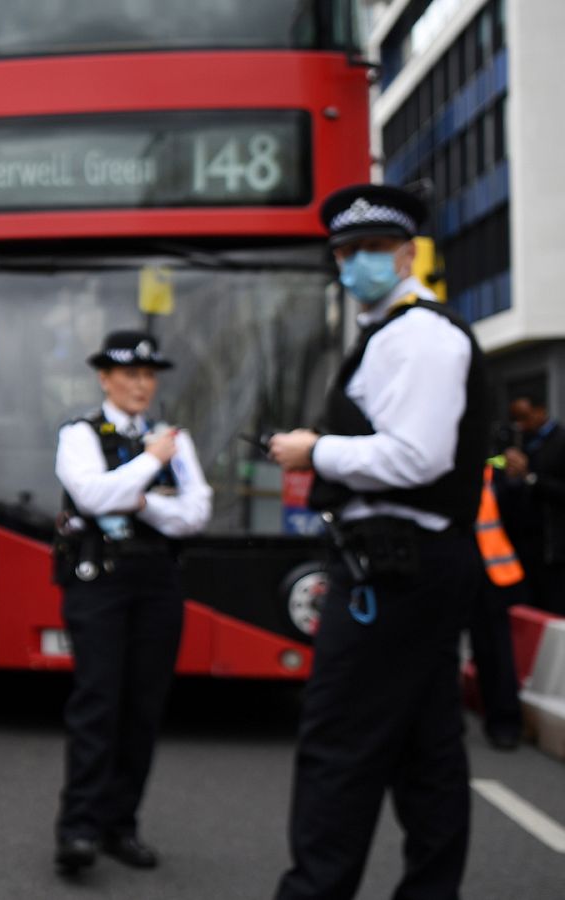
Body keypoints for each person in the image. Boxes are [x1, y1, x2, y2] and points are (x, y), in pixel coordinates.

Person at [268, 183, 488, 900]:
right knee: (427, 753)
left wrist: (316, 450)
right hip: (410, 565)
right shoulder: (394, 334)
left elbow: (417, 457)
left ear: (406, 253)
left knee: (340, 744)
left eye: (370, 249)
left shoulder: (419, 336)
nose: (355, 263)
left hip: (397, 569)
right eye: (344, 251)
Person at [50, 330, 211, 876]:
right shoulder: (80, 433)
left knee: (143, 707)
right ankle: (78, 830)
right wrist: (147, 469)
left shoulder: (173, 438)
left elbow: (195, 513)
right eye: (129, 374)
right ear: (105, 378)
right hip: (100, 581)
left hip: (158, 580)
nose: (140, 384)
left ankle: (121, 826)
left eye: (148, 375)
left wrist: (139, 502)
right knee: (97, 703)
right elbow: (91, 497)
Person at [471, 462, 524, 750]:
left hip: (490, 574)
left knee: (494, 652)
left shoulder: (494, 469)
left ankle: (504, 722)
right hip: (452, 568)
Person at [496, 395, 565, 615]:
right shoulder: (519, 442)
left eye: (524, 417)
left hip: (553, 550)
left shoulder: (560, 442)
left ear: (540, 411)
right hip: (524, 549)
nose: (520, 425)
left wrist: (530, 477)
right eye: (515, 419)